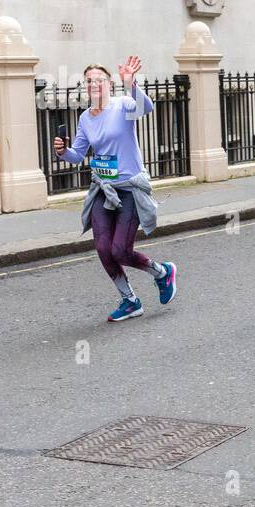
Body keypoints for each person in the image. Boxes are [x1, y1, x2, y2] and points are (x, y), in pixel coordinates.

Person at [54, 56, 177, 322]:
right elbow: (79, 155)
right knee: (102, 247)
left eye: (98, 80)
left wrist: (131, 83)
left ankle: (162, 272)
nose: (93, 84)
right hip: (103, 188)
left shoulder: (123, 105)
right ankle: (130, 300)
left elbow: (146, 108)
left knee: (120, 250)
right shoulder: (86, 118)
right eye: (88, 81)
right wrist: (64, 152)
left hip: (129, 188)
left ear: (109, 83)